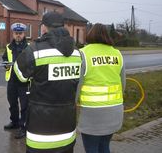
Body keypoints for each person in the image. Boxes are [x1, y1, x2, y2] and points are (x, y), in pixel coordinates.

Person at [13, 12, 82, 153]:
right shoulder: (77, 53)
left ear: (44, 28)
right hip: (67, 128)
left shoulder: (35, 50)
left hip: (41, 131)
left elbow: (19, 76)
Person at [77, 23, 126, 153]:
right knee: (104, 146)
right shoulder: (117, 54)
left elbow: (77, 85)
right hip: (115, 111)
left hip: (92, 114)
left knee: (92, 148)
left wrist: (72, 103)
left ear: (90, 34)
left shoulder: (82, 54)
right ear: (106, 36)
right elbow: (123, 85)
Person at [2, 22, 29, 139]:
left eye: (20, 33)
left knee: (24, 106)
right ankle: (15, 122)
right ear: (13, 34)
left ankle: (24, 127)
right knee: (12, 103)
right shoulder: (8, 47)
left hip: (24, 82)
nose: (18, 35)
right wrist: (5, 65)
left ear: (24, 34)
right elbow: (4, 59)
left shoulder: (29, 47)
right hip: (12, 81)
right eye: (16, 33)